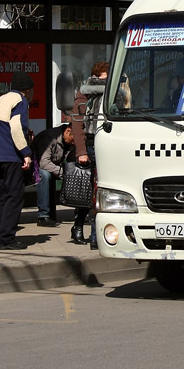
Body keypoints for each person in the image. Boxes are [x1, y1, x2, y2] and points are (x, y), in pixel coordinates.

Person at [0, 72, 35, 251]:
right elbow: (16, 127)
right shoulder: (20, 101)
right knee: (15, 196)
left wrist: (0, 141)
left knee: (3, 195)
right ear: (27, 90)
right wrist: (26, 152)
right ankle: (7, 238)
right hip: (11, 155)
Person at [69, 62, 107, 246]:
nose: (106, 81)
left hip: (107, 142)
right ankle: (80, 227)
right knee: (88, 191)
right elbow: (77, 124)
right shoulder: (85, 91)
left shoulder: (115, 90)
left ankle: (95, 235)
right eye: (104, 77)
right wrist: (81, 152)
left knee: (100, 190)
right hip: (91, 144)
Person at [33, 122, 76, 227]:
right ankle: (43, 216)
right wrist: (63, 172)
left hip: (53, 166)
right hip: (34, 167)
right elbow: (44, 163)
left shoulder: (70, 142)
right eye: (73, 139)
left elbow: (71, 162)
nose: (74, 143)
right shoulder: (50, 138)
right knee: (45, 175)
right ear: (68, 131)